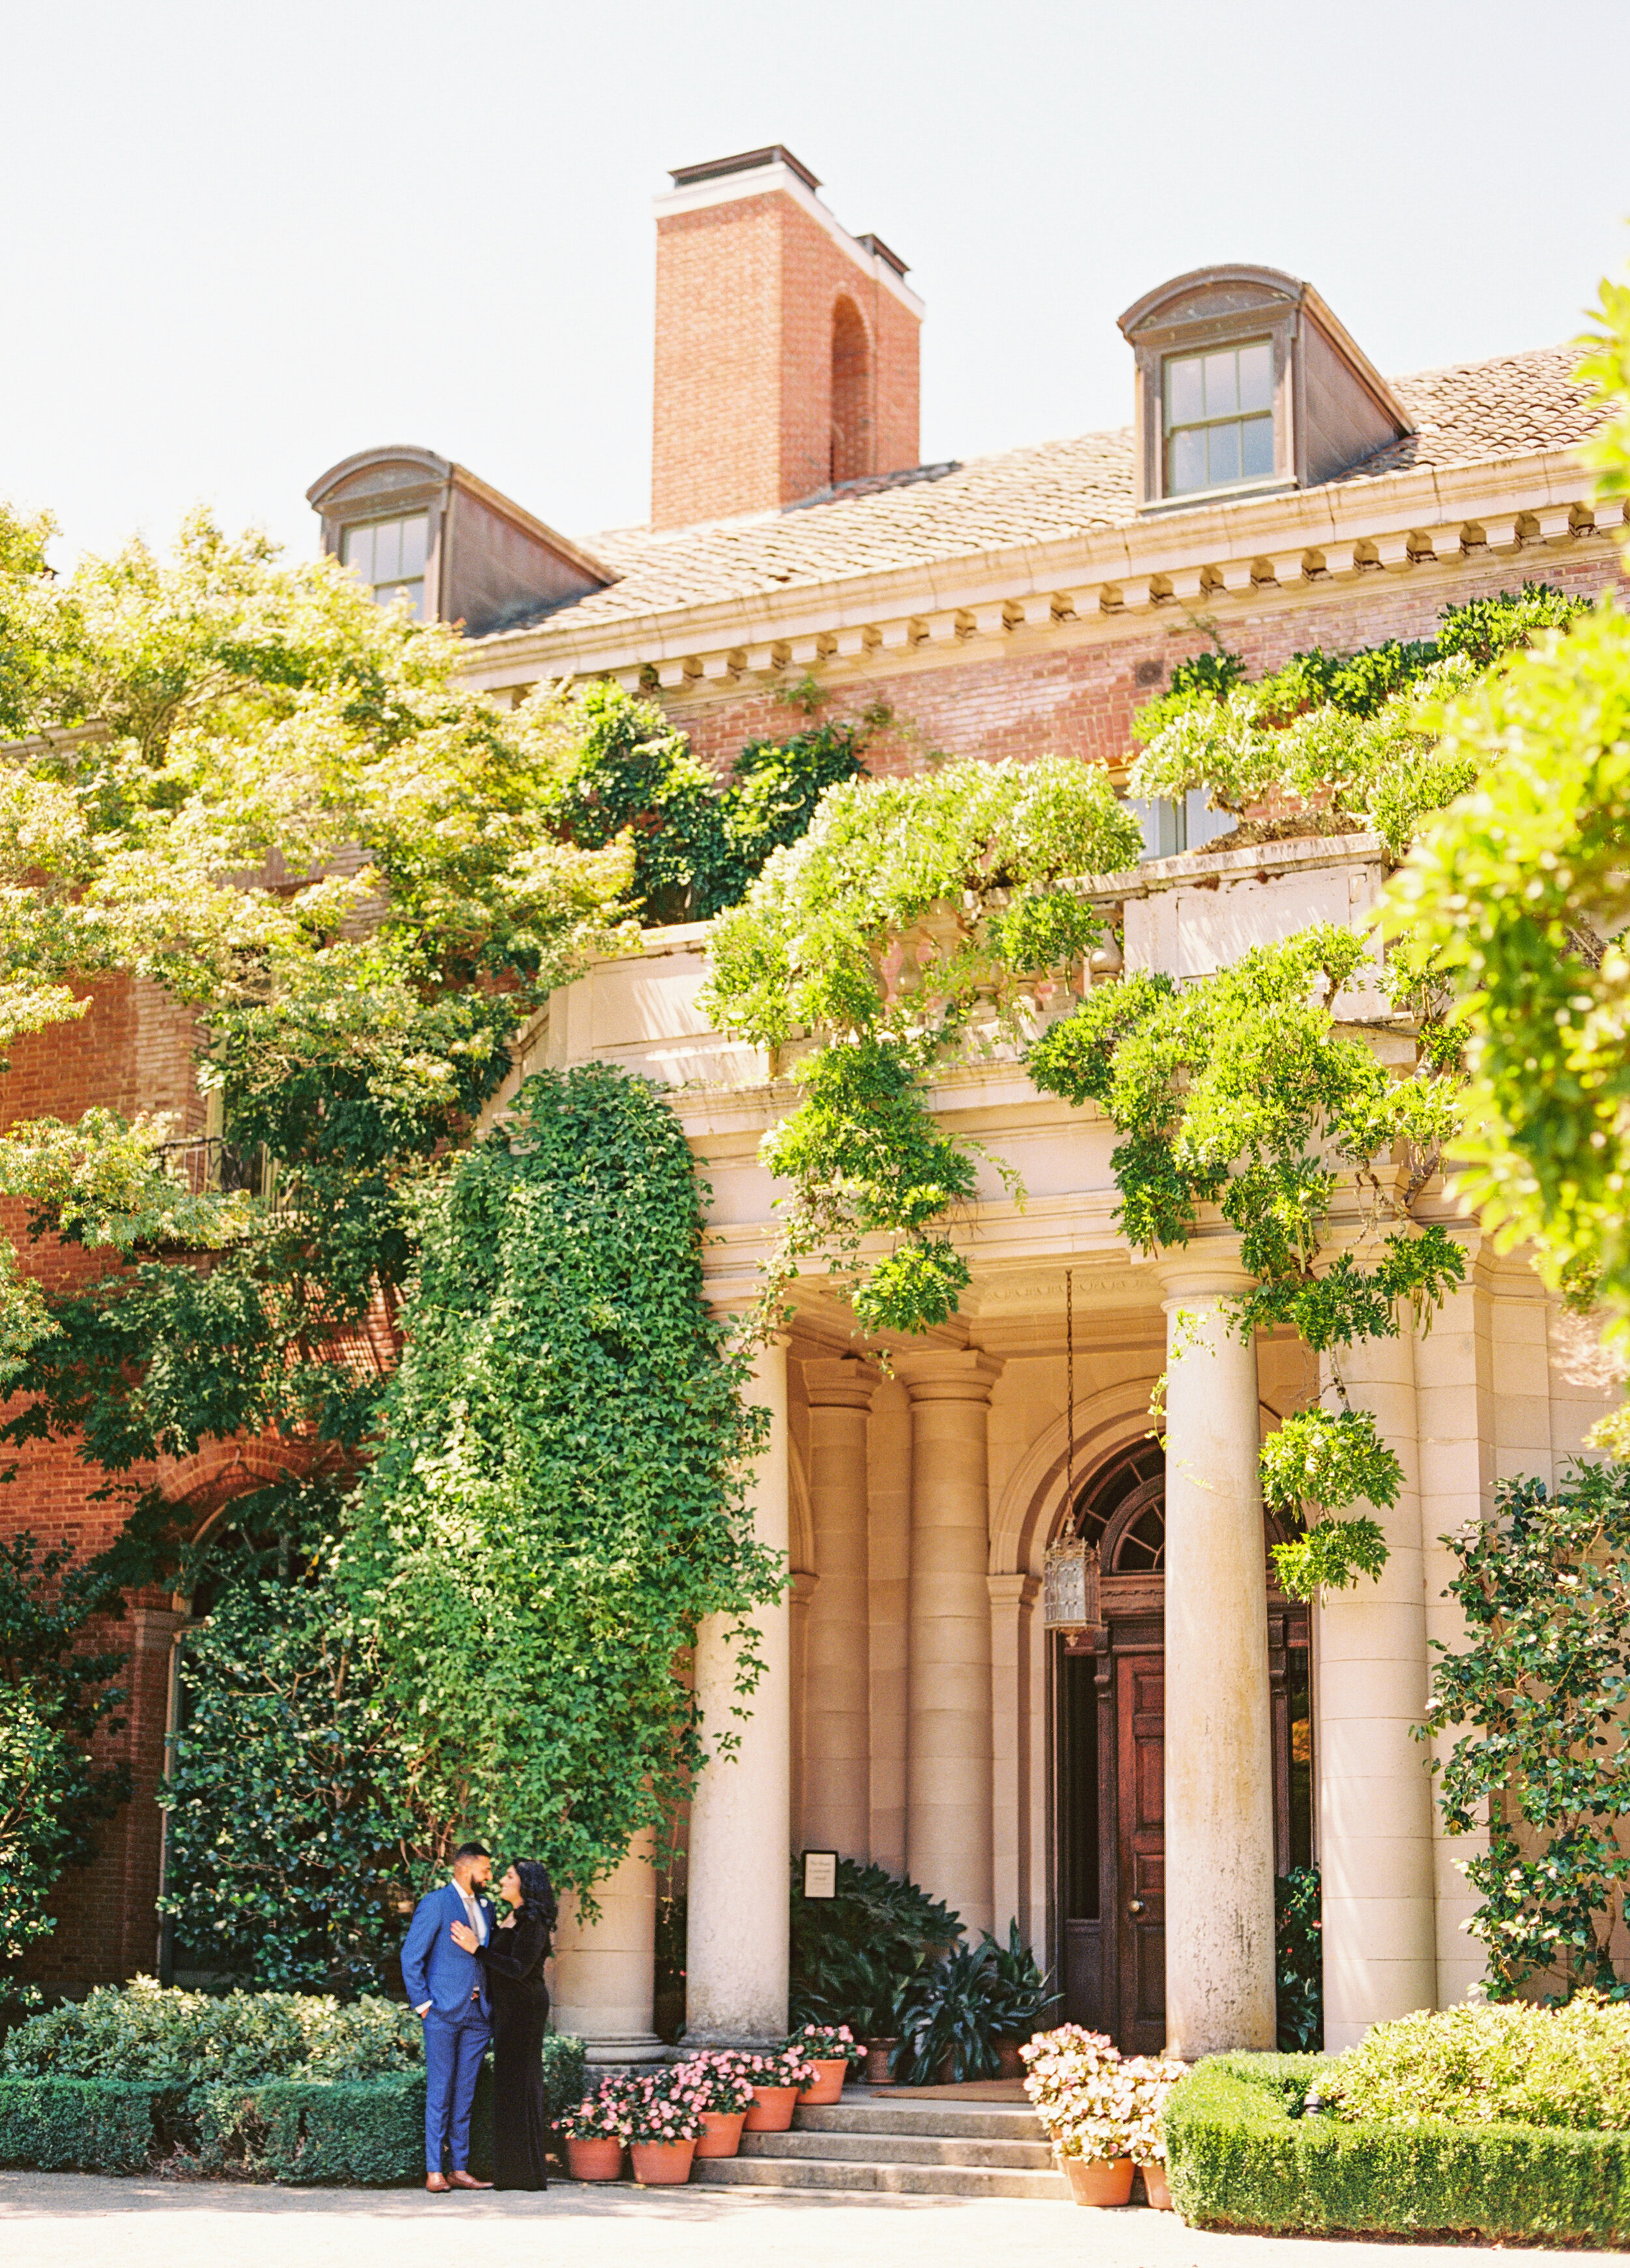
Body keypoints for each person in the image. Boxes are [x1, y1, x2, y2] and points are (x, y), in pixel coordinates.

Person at [452, 1857, 557, 2192]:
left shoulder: (533, 1921)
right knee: (509, 2084)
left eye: (509, 1876)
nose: (502, 1880)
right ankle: (512, 2172)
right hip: (508, 2009)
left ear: (525, 1884)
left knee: (522, 2082)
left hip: (525, 2010)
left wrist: (476, 1950)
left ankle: (526, 2173)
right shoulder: (509, 1916)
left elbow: (517, 1968)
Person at [401, 1840, 497, 2194]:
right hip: (442, 2012)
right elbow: (411, 1957)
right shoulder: (437, 1903)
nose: (490, 1876)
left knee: (466, 2092)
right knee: (440, 2091)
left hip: (477, 2014)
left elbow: (482, 1956)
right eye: (485, 1869)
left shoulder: (486, 1907)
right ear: (464, 1868)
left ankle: (459, 2168)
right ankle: (434, 2171)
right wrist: (424, 2005)